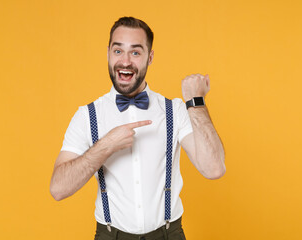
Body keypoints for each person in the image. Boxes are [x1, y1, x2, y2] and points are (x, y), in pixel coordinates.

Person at [50, 16, 225, 240]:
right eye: (118, 51)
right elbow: (58, 189)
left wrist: (196, 102)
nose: (125, 61)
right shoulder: (86, 116)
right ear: (107, 53)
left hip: (168, 234)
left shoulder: (174, 110)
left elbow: (214, 169)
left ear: (149, 57)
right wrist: (106, 145)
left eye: (135, 52)